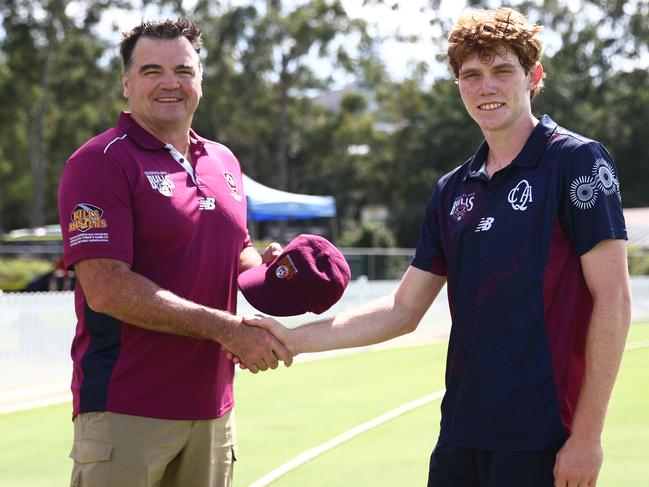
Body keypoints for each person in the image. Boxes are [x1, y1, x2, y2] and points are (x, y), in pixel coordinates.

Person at [242, 8, 632, 487]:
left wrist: (588, 436)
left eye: (501, 70)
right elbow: (403, 309)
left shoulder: (576, 161)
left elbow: (613, 297)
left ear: (534, 77)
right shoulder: (452, 189)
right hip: (461, 435)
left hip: (545, 436)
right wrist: (292, 339)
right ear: (459, 85)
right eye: (471, 75)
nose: (486, 86)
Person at [57, 17, 293, 487]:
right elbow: (106, 288)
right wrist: (226, 328)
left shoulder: (224, 161)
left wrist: (273, 270)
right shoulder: (99, 162)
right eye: (151, 71)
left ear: (200, 80)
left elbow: (237, 251)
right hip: (126, 409)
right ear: (126, 84)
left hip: (212, 410)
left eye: (183, 70)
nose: (170, 83)